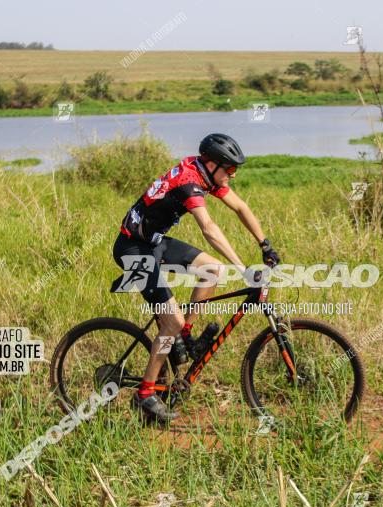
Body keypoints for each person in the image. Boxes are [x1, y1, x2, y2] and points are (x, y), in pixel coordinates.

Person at [113, 133, 280, 423]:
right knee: (171, 322)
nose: (233, 175)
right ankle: (145, 394)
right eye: (229, 169)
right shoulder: (189, 182)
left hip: (153, 242)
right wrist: (242, 269)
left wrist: (264, 243)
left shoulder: (205, 173)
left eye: (234, 169)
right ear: (213, 164)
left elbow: (241, 207)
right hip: (132, 248)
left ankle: (185, 335)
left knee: (212, 270)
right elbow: (209, 228)